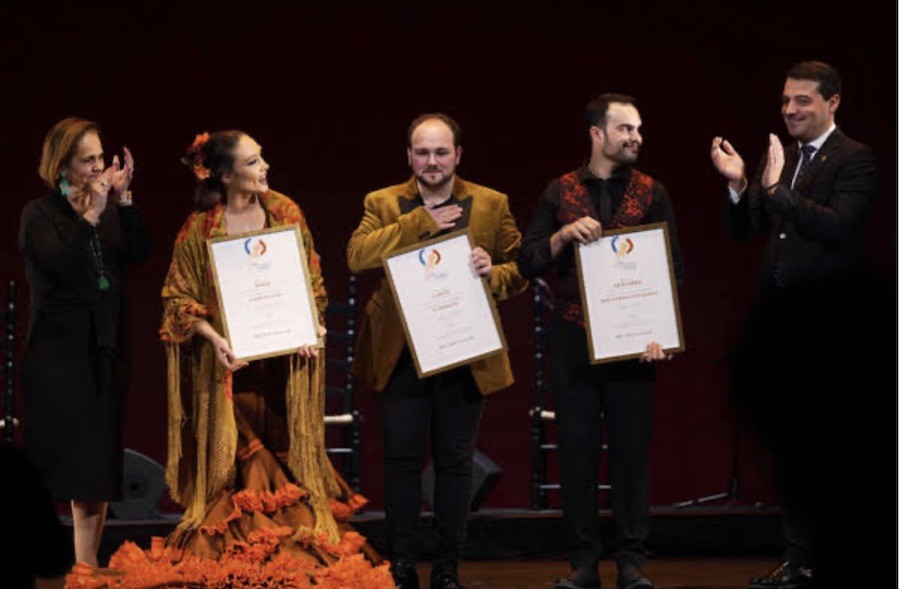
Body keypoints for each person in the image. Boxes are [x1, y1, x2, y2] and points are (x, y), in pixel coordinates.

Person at [65, 130, 393, 588]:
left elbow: (310, 282)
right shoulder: (202, 227)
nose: (265, 168)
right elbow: (176, 300)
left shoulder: (285, 212)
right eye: (253, 162)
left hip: (279, 371)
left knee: (287, 474)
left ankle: (282, 564)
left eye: (262, 159)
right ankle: (244, 562)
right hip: (228, 376)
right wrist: (213, 336)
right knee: (240, 473)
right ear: (224, 173)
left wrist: (312, 326)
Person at [711, 61, 878, 589]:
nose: (789, 110)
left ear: (833, 103)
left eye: (802, 101)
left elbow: (836, 226)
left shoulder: (856, 159)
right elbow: (746, 231)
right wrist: (740, 185)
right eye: (785, 101)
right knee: (793, 452)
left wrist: (778, 187)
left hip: (830, 329)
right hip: (783, 331)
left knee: (832, 449)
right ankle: (798, 560)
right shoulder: (778, 159)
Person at [347, 113, 527, 589]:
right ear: (409, 155)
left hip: (464, 351)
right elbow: (357, 256)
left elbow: (521, 266)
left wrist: (495, 273)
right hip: (401, 355)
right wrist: (416, 223)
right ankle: (402, 565)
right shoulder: (383, 203)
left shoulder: (490, 204)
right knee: (402, 461)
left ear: (458, 156)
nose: (431, 162)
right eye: (422, 152)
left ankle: (448, 567)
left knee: (455, 463)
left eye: (441, 152)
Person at [517, 94, 684, 589]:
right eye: (625, 129)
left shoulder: (653, 192)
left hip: (636, 343)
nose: (635, 137)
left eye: (638, 130)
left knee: (632, 454)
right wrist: (563, 235)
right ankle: (583, 563)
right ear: (596, 134)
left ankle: (631, 562)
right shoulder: (559, 191)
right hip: (573, 338)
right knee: (577, 452)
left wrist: (664, 334)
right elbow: (529, 261)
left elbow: (671, 269)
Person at [18, 117, 151, 568]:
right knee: (55, 465)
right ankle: (35, 563)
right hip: (58, 360)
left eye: (101, 157)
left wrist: (125, 198)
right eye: (87, 160)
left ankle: (86, 567)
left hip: (103, 354)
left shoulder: (109, 207)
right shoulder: (39, 214)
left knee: (94, 469)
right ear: (63, 165)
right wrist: (92, 214)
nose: (99, 168)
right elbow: (62, 266)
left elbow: (137, 252)